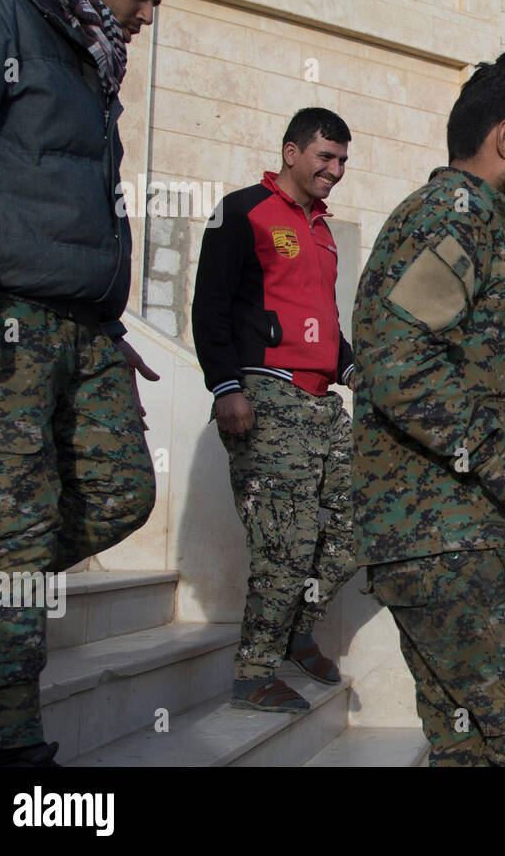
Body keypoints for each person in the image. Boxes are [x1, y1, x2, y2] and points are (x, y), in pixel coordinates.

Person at [0, 0, 181, 766]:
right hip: (3, 319)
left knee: (122, 493)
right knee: (12, 536)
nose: (149, 12)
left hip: (83, 329)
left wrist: (105, 322)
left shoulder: (95, 63)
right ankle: (17, 752)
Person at [351, 53, 505, 765]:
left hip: (428, 537)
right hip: (446, 538)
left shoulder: (464, 224)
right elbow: (396, 362)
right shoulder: (456, 218)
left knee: (474, 755)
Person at [192, 107, 358, 713]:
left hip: (321, 400)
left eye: (342, 160)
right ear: (291, 152)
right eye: (325, 157)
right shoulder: (240, 212)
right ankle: (254, 671)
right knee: (284, 539)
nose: (335, 170)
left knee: (363, 513)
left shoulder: (322, 229)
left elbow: (323, 321)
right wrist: (223, 387)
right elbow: (208, 305)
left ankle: (296, 626)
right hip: (263, 394)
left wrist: (353, 368)